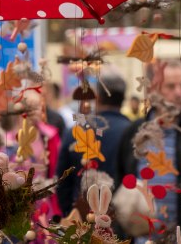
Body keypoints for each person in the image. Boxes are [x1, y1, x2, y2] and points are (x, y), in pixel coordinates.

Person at [117, 61, 181, 241]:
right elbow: (120, 182)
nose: (179, 93)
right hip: (141, 237)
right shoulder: (135, 132)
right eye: (170, 86)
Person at [56, 73, 130, 216]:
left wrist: (70, 214)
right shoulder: (131, 132)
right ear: (123, 99)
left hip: (82, 219)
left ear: (97, 97)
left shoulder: (75, 132)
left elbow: (62, 182)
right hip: (122, 219)